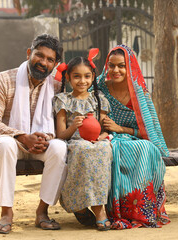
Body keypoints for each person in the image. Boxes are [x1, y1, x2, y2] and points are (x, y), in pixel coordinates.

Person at [0, 34, 67, 234]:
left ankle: (42, 212)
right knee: (4, 144)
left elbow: (59, 126)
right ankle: (6, 213)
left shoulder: (56, 87)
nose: (43, 62)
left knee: (60, 147)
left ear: (55, 64)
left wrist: (46, 138)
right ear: (29, 53)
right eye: (39, 55)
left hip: (40, 146)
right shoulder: (2, 80)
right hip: (11, 144)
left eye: (50, 59)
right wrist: (21, 136)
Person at [97, 44, 170, 229]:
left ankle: (140, 210)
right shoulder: (99, 86)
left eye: (121, 65)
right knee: (115, 149)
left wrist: (120, 129)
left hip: (133, 138)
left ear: (129, 66)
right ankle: (116, 211)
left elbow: (147, 132)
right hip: (105, 137)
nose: (116, 70)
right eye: (111, 65)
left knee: (146, 149)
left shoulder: (139, 93)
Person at [53, 48, 113, 231]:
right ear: (68, 78)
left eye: (87, 76)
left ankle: (98, 207)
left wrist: (103, 136)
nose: (82, 81)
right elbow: (60, 134)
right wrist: (74, 127)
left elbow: (105, 128)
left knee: (103, 149)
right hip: (74, 142)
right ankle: (86, 206)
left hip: (96, 141)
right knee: (83, 150)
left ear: (93, 77)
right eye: (77, 76)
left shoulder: (99, 99)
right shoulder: (63, 100)